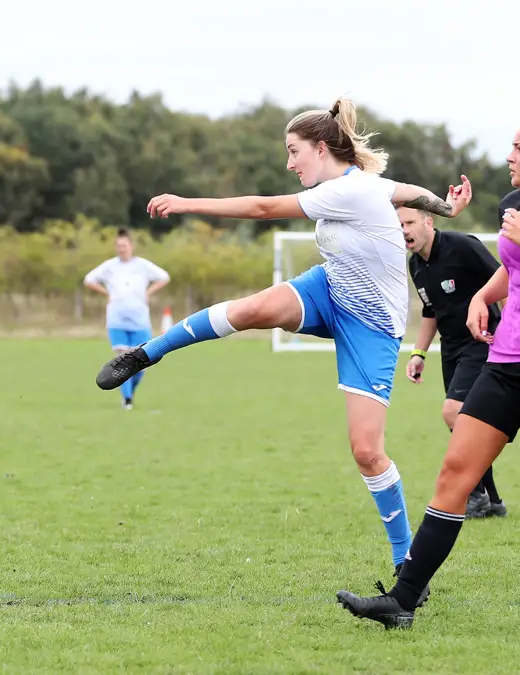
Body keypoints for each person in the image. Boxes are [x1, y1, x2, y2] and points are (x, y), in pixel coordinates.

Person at [95, 98, 473, 583]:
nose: (289, 163)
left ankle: (405, 561)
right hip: (328, 288)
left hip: (372, 325)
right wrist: (446, 205)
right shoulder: (364, 186)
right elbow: (412, 191)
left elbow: (261, 207)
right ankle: (145, 354)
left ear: (320, 148)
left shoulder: (349, 192)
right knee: (251, 309)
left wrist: (187, 203)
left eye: (294, 152)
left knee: (367, 452)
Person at [336, 129, 520, 629]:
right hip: (504, 363)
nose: (508, 155)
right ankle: (402, 601)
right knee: (453, 475)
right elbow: (510, 267)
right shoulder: (513, 206)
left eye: (518, 148)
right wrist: (484, 297)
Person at [400, 205, 507, 518]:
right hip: (451, 350)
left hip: (484, 339)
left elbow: (505, 282)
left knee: (454, 412)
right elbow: (430, 311)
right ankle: (492, 500)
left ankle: (473, 494)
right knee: (469, 422)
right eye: (400, 225)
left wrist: (512, 333)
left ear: (428, 222)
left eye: (409, 222)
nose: (404, 230)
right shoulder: (416, 264)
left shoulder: (462, 247)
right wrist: (418, 353)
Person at [83, 228, 171, 409]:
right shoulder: (109, 267)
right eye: (118, 245)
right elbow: (89, 279)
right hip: (117, 319)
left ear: (131, 246)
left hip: (139, 320)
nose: (121, 248)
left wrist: (149, 292)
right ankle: (127, 399)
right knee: (123, 358)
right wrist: (106, 293)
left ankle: (131, 389)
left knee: (141, 363)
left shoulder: (142, 266)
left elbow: (164, 277)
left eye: (124, 245)